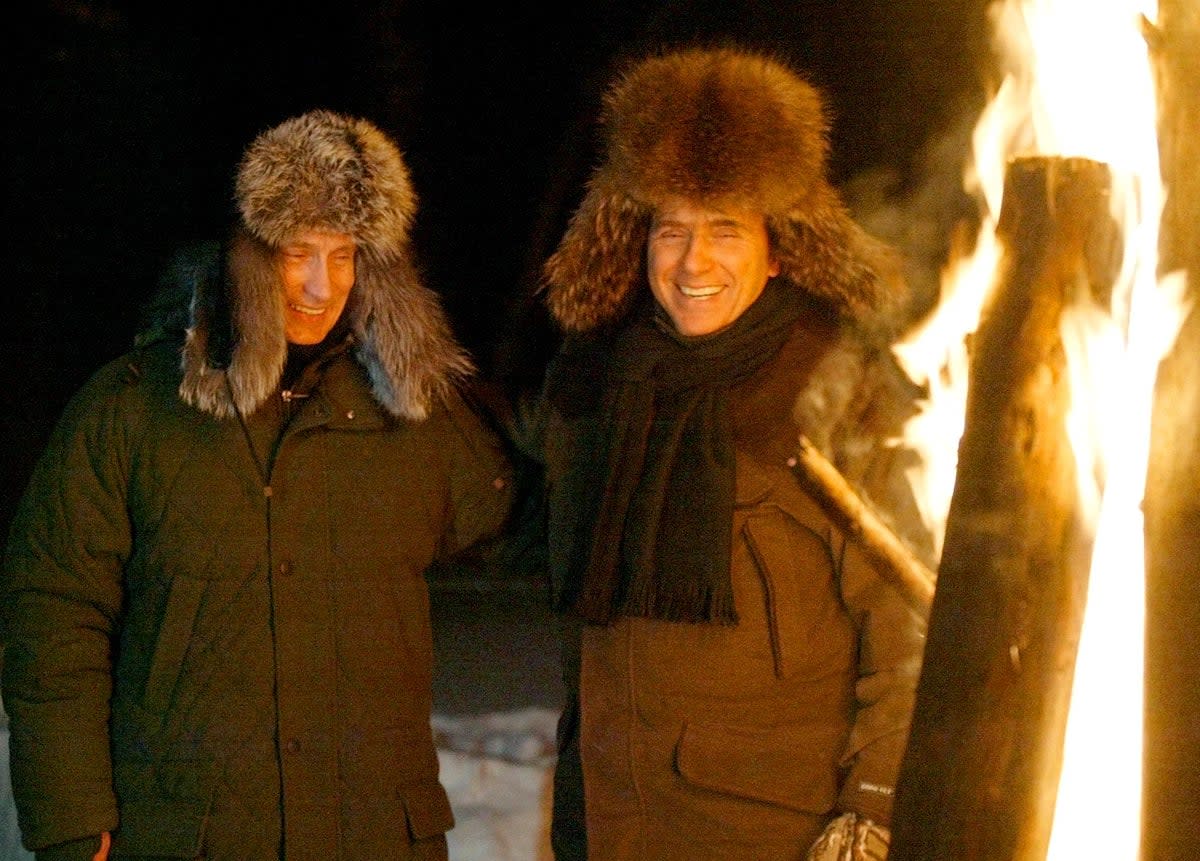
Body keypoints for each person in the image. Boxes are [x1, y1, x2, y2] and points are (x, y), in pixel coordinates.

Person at [1, 109, 514, 860]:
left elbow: (534, 523)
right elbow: (52, 615)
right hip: (192, 836)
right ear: (246, 252)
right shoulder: (134, 410)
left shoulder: (415, 421)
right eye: (297, 251)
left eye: (343, 256)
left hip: (372, 837)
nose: (319, 284)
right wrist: (73, 819)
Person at [515, 46, 933, 860]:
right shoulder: (594, 387)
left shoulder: (839, 390)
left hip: (772, 833)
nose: (693, 262)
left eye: (724, 229)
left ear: (777, 247)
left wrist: (874, 809)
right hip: (606, 827)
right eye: (670, 229)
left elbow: (913, 629)